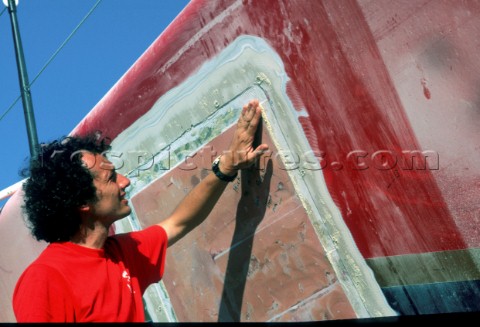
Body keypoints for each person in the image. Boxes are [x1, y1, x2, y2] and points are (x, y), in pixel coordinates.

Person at [12, 99, 269, 322]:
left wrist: (226, 166)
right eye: (111, 178)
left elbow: (179, 222)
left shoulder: (123, 253)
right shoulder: (44, 279)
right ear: (82, 202)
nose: (125, 181)